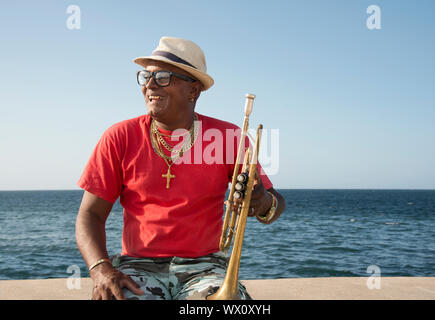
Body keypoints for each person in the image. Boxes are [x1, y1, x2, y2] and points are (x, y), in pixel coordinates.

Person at [75, 36, 285, 300]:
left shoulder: (229, 137)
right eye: (145, 76)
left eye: (163, 77)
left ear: (193, 90)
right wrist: (101, 269)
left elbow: (276, 202)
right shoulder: (118, 136)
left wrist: (264, 202)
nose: (150, 85)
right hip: (137, 266)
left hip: (206, 268)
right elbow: (90, 216)